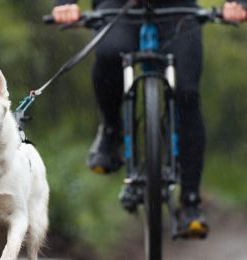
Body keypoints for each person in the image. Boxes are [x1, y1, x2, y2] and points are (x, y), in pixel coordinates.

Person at [51, 0, 246, 237]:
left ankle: (191, 202)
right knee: (109, 54)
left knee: (187, 93)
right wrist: (65, 3)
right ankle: (112, 132)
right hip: (118, 7)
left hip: (179, 9)